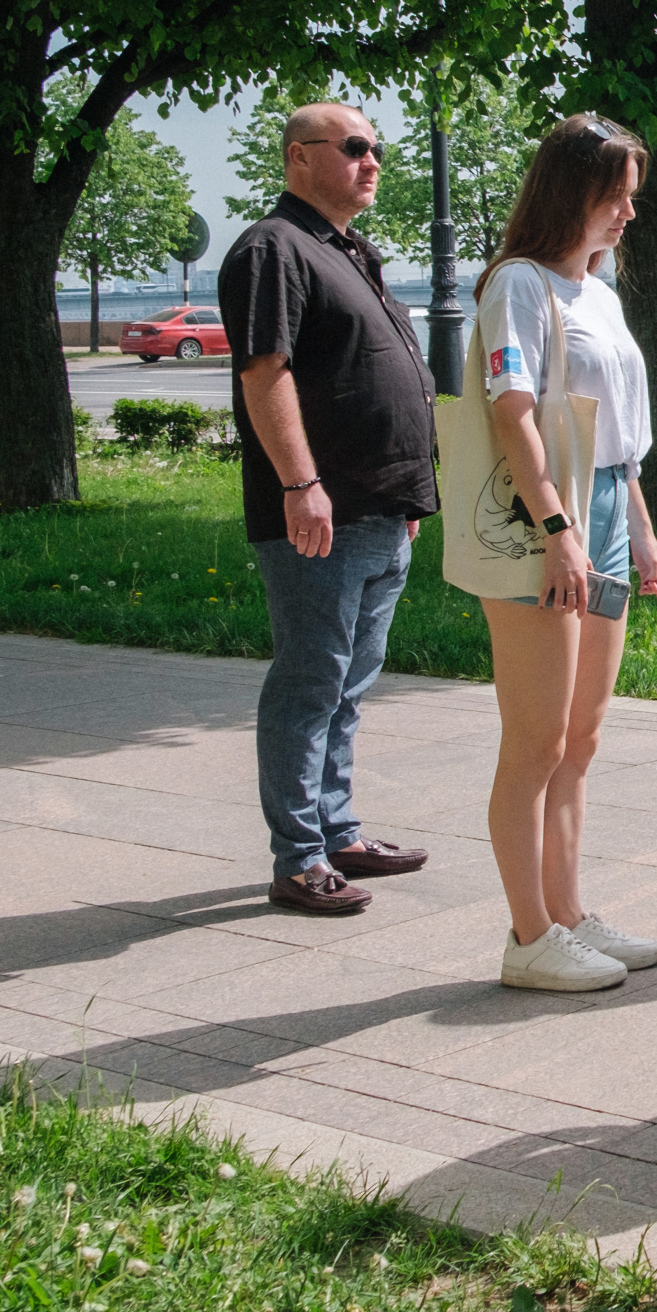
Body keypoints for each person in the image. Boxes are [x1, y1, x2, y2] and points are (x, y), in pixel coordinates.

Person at [471, 115, 657, 991]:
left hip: (603, 507)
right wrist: (558, 528)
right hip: (542, 518)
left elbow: (618, 439)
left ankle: (566, 912)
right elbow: (510, 411)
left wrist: (639, 528)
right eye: (616, 194)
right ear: (573, 192)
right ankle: (528, 938)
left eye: (633, 195)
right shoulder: (519, 286)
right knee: (536, 740)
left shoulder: (601, 292)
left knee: (581, 738)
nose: (630, 211)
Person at [221, 103, 440, 916]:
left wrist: (407, 492)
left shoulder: (347, 250)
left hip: (382, 510)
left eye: (376, 148)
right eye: (353, 148)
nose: (371, 161)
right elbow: (265, 372)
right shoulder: (272, 248)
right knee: (310, 683)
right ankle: (299, 858)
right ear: (299, 158)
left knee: (350, 684)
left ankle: (338, 830)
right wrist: (298, 484)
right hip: (322, 513)